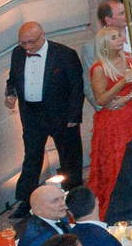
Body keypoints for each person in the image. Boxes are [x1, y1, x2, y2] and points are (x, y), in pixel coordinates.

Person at [6, 20, 88, 212]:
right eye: (23, 43)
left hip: (61, 114)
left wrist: (74, 117)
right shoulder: (18, 54)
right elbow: (12, 79)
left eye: (31, 42)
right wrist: (10, 94)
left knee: (69, 156)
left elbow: (77, 88)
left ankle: (73, 196)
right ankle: (27, 199)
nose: (27, 47)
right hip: (32, 115)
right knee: (32, 156)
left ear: (43, 35)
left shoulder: (65, 54)